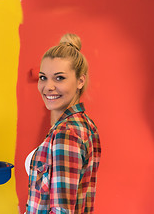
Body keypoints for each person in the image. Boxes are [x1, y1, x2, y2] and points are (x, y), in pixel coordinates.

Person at [25, 34, 101, 213]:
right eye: (43, 77)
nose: (48, 86)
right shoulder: (84, 124)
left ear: (80, 81)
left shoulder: (67, 132)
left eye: (59, 78)